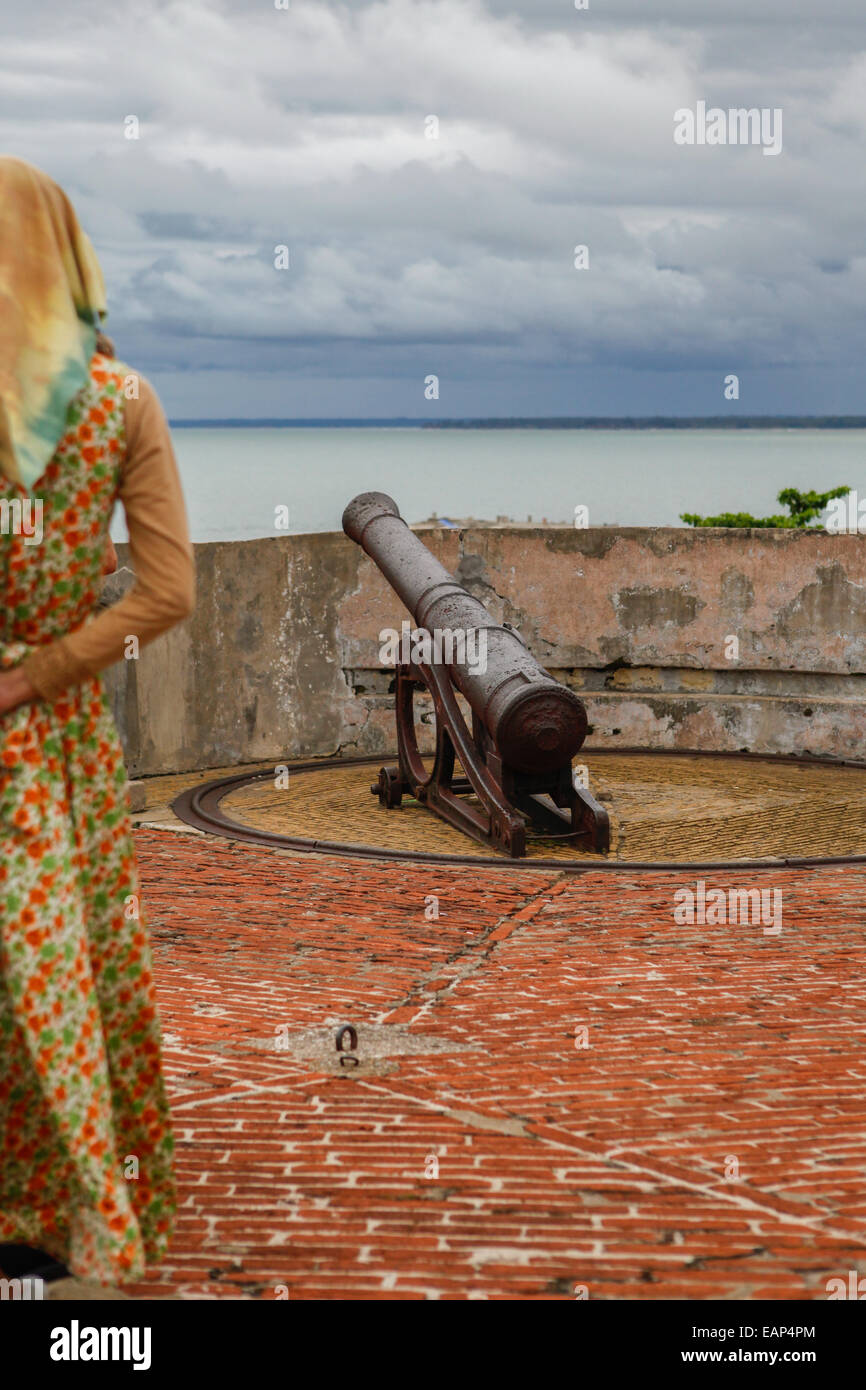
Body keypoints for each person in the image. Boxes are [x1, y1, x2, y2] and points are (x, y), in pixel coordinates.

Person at [0, 156, 195, 1287]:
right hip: (53, 735)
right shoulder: (121, 402)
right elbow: (163, 595)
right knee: (60, 972)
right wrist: (42, 673)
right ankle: (63, 1214)